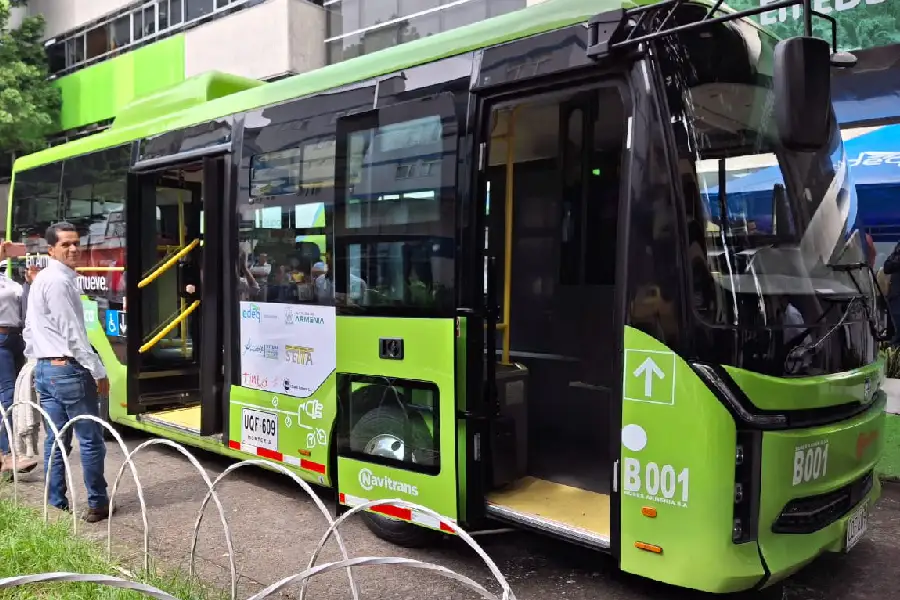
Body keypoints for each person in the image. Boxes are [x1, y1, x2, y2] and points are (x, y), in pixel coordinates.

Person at [23, 222, 111, 522]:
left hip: (47, 369)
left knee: (56, 440)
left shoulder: (45, 279)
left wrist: (36, 361)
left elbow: (30, 328)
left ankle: (56, 503)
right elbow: (73, 333)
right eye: (66, 245)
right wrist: (98, 370)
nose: (73, 249)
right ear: (51, 250)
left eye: (76, 243)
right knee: (89, 439)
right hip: (67, 370)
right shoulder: (58, 281)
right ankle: (97, 503)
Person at [0, 244, 38, 477]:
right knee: (6, 396)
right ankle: (9, 454)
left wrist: (30, 282)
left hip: (16, 339)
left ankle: (9, 452)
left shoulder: (6, 279)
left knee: (15, 395)